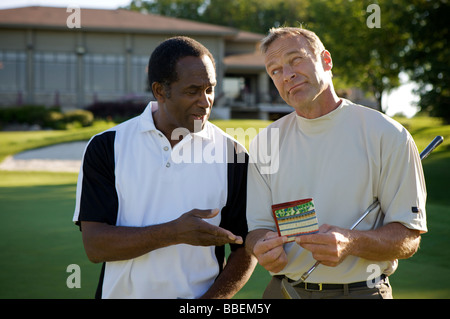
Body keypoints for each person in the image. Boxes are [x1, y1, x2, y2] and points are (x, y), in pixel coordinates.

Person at [245, 27, 427, 299]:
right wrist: (261, 246)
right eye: (275, 70)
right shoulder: (265, 142)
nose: (287, 75)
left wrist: (351, 243)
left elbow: (409, 237)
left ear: (326, 60)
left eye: (296, 60)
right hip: (283, 291)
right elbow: (256, 229)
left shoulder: (388, 135)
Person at [73, 36, 256, 299]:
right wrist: (173, 233)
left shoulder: (234, 155)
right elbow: (96, 246)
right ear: (160, 91)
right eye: (192, 91)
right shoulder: (106, 147)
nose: (205, 102)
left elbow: (245, 248)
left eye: (210, 89)